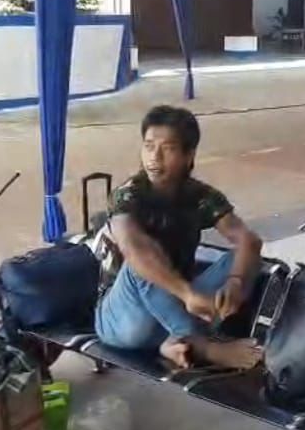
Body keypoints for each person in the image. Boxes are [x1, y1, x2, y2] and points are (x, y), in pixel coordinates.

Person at [95, 105, 265, 370]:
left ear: (189, 155)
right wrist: (187, 294)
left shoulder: (200, 196)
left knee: (246, 257)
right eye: (149, 146)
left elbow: (247, 239)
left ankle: (172, 342)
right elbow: (133, 248)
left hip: (176, 307)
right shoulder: (128, 195)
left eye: (168, 148)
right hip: (123, 322)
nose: (155, 157)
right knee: (141, 259)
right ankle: (204, 347)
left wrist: (235, 282)